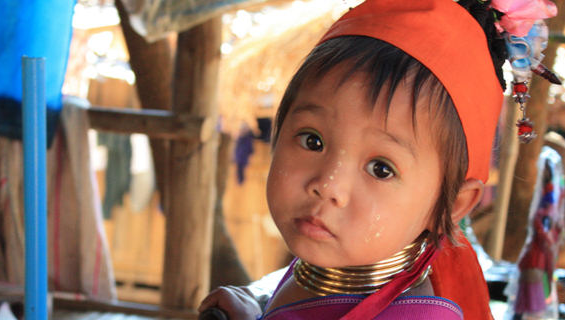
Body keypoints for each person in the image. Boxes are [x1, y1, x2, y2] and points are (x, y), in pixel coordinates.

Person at [198, 0, 524, 318]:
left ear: (452, 205)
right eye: (313, 141)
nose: (328, 185)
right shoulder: (312, 277)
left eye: (381, 169)